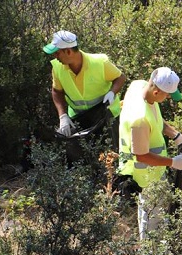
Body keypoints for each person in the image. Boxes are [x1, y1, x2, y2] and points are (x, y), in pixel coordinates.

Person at [117, 67, 182, 238]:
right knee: (150, 213)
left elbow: (156, 116)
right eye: (167, 96)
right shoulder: (140, 119)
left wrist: (175, 135)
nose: (168, 99)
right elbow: (141, 155)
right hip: (146, 174)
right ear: (156, 92)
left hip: (156, 168)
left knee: (155, 210)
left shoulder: (139, 86)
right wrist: (172, 162)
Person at [43, 30, 126, 163]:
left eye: (57, 52)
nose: (55, 56)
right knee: (82, 158)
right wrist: (63, 116)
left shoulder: (100, 62)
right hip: (79, 117)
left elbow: (120, 78)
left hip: (107, 116)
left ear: (69, 51)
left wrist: (112, 92)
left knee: (110, 156)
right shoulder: (57, 67)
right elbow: (56, 91)